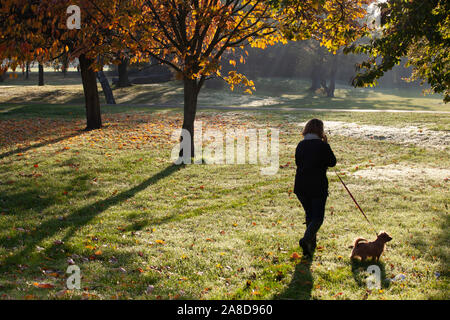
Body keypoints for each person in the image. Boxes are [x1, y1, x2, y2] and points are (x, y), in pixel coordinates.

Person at [294, 119, 336, 257]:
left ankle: (310, 247)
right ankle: (306, 241)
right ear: (320, 131)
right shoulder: (322, 146)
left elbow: (298, 162)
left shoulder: (301, 145)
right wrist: (326, 144)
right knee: (317, 218)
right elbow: (332, 162)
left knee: (310, 215)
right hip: (317, 185)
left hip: (301, 185)